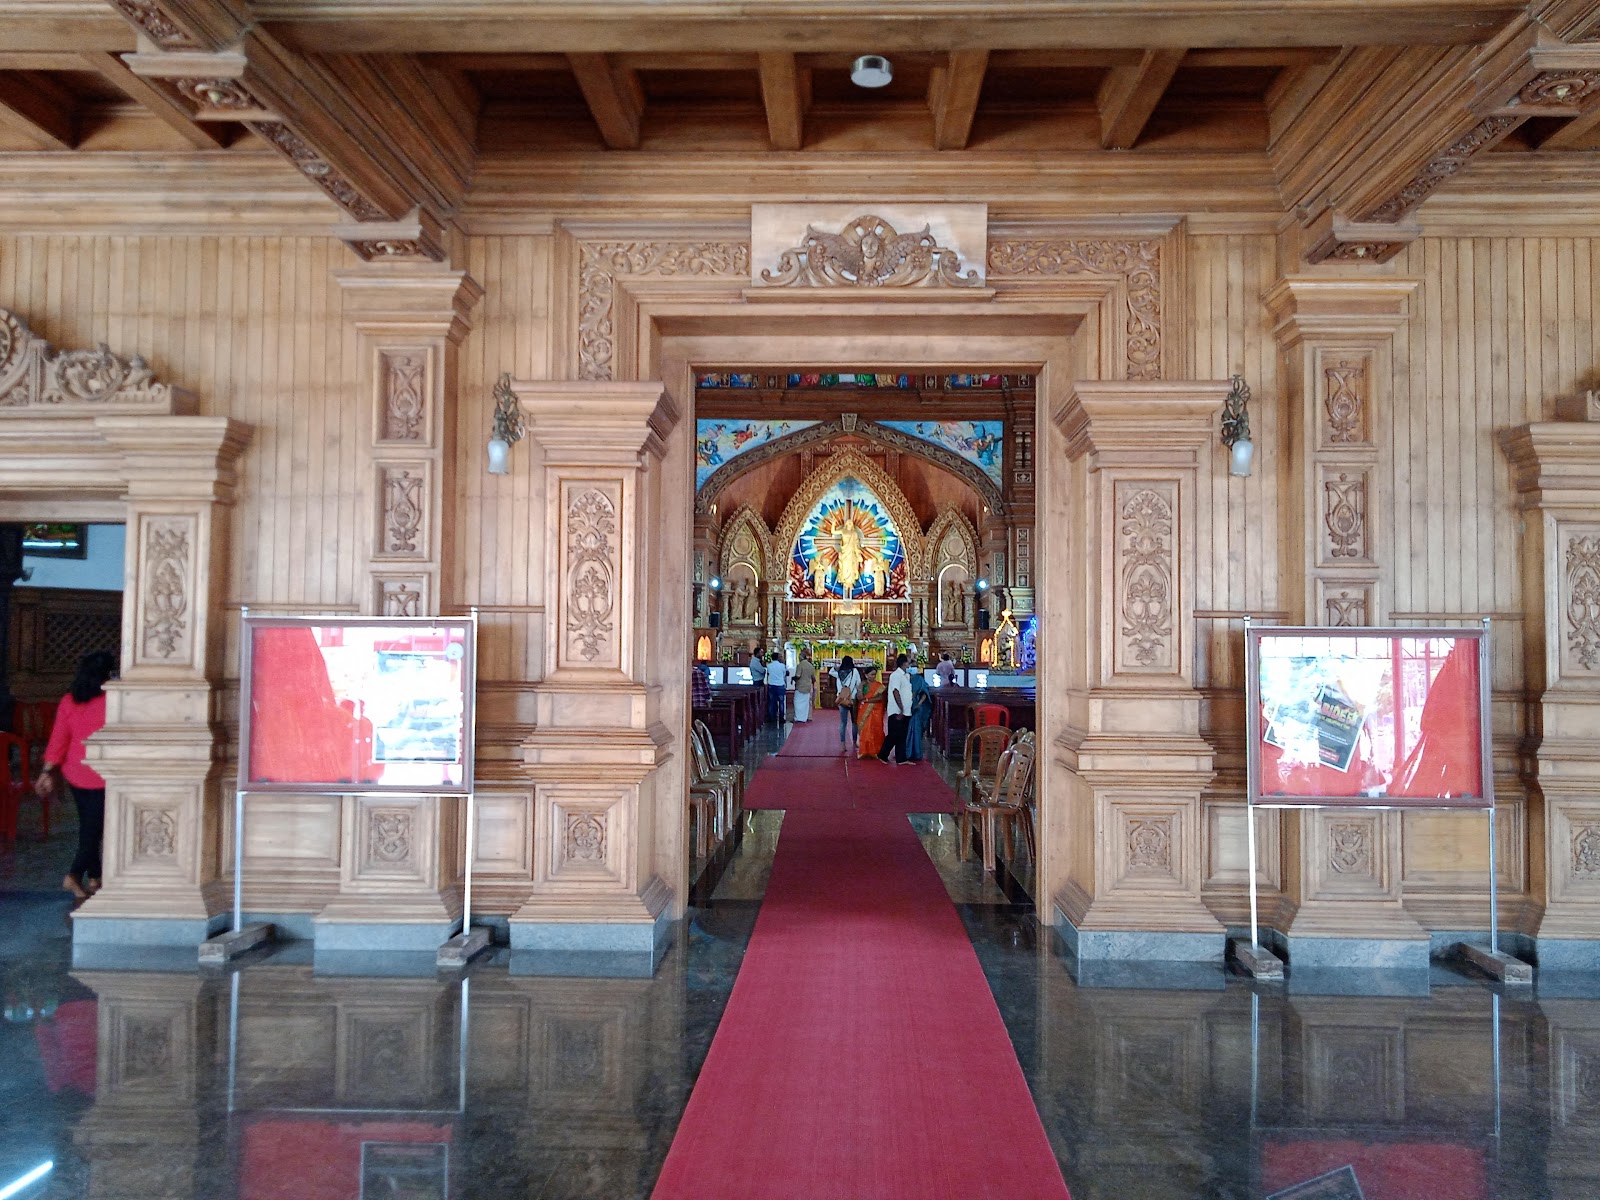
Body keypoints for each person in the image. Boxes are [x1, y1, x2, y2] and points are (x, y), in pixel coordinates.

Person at [35, 650, 117, 901]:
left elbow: (59, 739)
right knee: (94, 831)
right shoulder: (113, 701)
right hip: (102, 773)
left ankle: (95, 877)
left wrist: (48, 770)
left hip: (76, 773)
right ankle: (73, 875)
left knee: (89, 826)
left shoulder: (69, 700)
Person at [878, 653, 913, 764]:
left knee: (902, 735)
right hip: (897, 710)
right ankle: (882, 754)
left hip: (906, 710)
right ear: (903, 663)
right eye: (908, 662)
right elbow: (895, 691)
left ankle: (901, 758)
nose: (909, 664)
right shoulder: (896, 675)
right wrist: (900, 708)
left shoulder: (906, 675)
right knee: (894, 734)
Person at [856, 665, 887, 759]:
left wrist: (866, 700)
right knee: (865, 730)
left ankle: (876, 751)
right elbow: (859, 697)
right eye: (871, 674)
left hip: (876, 710)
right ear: (866, 675)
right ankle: (864, 751)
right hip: (864, 710)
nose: (873, 676)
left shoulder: (879, 686)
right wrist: (861, 687)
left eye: (874, 674)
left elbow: (880, 698)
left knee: (875, 729)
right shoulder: (863, 685)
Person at [906, 664, 933, 761]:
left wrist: (919, 704)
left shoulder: (919, 679)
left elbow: (925, 692)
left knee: (916, 729)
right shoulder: (905, 677)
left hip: (917, 708)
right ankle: (906, 752)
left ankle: (916, 753)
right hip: (906, 707)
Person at [834, 655, 860, 750]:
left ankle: (843, 744)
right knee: (854, 722)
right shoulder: (855, 671)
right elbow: (858, 684)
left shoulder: (838, 672)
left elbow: (830, 672)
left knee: (843, 722)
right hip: (852, 699)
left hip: (841, 699)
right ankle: (854, 742)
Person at [765, 650, 788, 724]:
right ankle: (781, 717)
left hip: (771, 685)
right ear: (778, 658)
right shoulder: (782, 666)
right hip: (780, 685)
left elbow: (768, 674)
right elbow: (784, 674)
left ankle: (772, 717)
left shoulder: (769, 665)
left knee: (772, 702)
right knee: (781, 702)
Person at [793, 647, 815, 723]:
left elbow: (798, 675)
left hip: (800, 686)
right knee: (806, 703)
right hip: (808, 686)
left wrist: (793, 679)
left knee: (798, 702)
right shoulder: (811, 665)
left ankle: (798, 718)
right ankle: (804, 717)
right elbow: (813, 677)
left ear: (801, 658)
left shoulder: (800, 665)